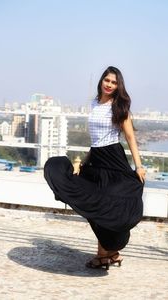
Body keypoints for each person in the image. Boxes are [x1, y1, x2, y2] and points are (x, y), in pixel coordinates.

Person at [44, 66, 145, 270]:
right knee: (93, 205)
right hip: (96, 160)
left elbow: (130, 137)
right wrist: (83, 163)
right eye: (107, 80)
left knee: (107, 206)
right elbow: (96, 141)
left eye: (114, 82)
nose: (109, 84)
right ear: (101, 81)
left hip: (113, 161)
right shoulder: (94, 104)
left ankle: (104, 254)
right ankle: (111, 253)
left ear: (119, 86)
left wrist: (139, 166)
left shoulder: (120, 106)